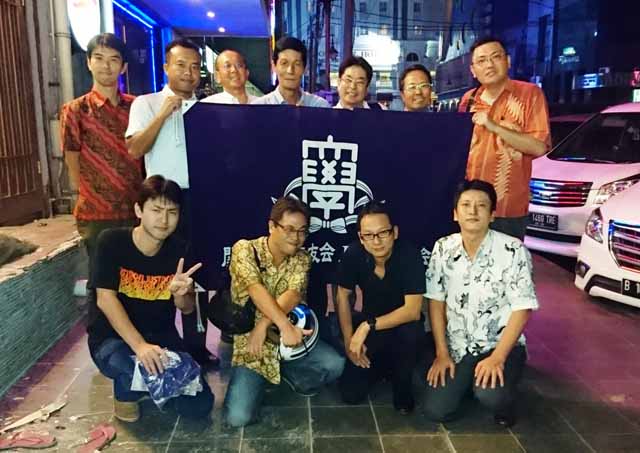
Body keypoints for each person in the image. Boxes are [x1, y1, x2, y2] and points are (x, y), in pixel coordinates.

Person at [89, 175, 214, 422]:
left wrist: (181, 296)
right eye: (156, 210)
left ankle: (145, 384)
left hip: (161, 338)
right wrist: (140, 346)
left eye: (172, 212)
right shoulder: (111, 242)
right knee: (135, 368)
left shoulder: (180, 250)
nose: (164, 220)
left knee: (199, 406)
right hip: (113, 340)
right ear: (139, 210)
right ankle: (128, 392)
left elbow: (187, 309)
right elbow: (105, 299)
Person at [125, 38, 217, 368]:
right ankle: (157, 342)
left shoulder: (208, 109)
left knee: (194, 273)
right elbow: (135, 148)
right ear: (166, 67)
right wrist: (164, 113)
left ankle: (196, 347)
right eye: (181, 65)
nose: (188, 73)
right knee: (160, 271)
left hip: (201, 200)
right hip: (163, 201)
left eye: (195, 67)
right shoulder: (146, 103)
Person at [423, 179, 538, 427]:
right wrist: (442, 353)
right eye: (466, 205)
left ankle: (504, 400)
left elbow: (523, 308)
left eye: (481, 205)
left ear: (492, 214)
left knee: (490, 395)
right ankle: (468, 384)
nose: (473, 211)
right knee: (435, 410)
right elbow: (435, 301)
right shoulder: (442, 248)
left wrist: (498, 357)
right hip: (459, 347)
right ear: (455, 214)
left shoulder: (513, 250)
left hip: (498, 345)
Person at [223, 197, 345, 427]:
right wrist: (282, 325)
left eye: (302, 231)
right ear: (272, 226)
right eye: (289, 229)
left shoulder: (302, 258)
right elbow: (255, 289)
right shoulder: (245, 249)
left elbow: (293, 295)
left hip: (289, 341)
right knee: (238, 418)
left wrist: (265, 325)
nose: (296, 237)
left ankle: (288, 374)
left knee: (335, 365)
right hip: (253, 345)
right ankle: (259, 379)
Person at [60, 33, 143, 316]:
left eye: (114, 60)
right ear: (88, 62)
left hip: (135, 209)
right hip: (97, 213)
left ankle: (136, 334)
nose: (106, 66)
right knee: (102, 281)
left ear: (124, 67)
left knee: (135, 279)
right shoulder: (75, 111)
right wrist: (86, 193)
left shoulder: (137, 107)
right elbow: (72, 158)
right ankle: (103, 337)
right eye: (99, 58)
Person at [336, 201, 425, 414]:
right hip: (372, 326)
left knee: (410, 334)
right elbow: (342, 295)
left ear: (395, 232)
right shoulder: (354, 254)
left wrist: (366, 326)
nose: (376, 241)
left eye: (383, 233)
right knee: (350, 394)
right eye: (368, 235)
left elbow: (412, 311)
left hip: (402, 326)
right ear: (361, 238)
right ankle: (383, 367)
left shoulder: (409, 255)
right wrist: (349, 341)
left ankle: (402, 383)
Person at [459, 36, 551, 240]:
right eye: (481, 60)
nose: (489, 65)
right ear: (473, 70)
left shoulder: (530, 94)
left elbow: (538, 147)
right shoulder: (468, 100)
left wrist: (494, 126)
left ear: (508, 61)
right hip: (471, 207)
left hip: (508, 209)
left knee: (506, 259)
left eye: (495, 57)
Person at [252, 37, 330, 107]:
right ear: (274, 66)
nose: (290, 71)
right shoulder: (259, 108)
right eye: (284, 63)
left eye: (297, 64)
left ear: (305, 68)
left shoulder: (319, 106)